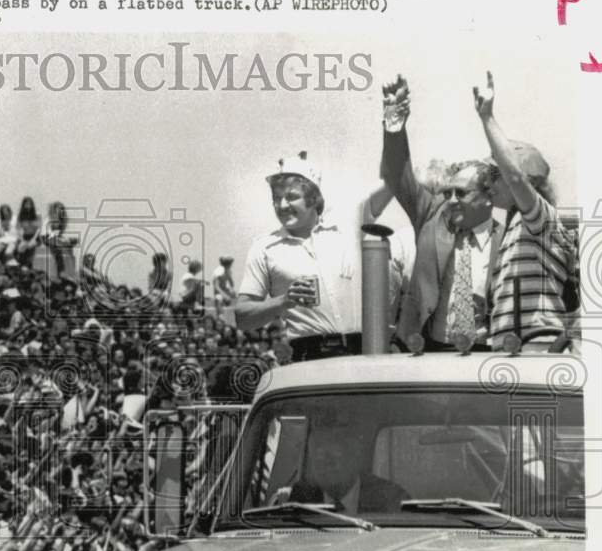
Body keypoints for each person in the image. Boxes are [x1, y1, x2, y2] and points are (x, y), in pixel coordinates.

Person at [379, 76, 504, 351]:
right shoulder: (433, 216)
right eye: (448, 192)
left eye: (462, 193)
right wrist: (394, 124)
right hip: (426, 349)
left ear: (489, 197)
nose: (451, 200)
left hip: (485, 353)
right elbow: (398, 176)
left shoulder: (506, 240)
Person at [472, 71, 577, 349]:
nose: (488, 183)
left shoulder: (539, 218)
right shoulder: (515, 227)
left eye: (496, 175)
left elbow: (514, 177)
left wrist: (487, 118)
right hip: (511, 352)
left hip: (536, 348)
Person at [235, 153, 363, 360]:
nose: (282, 206)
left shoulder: (344, 232)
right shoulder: (264, 248)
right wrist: (283, 301)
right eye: (276, 199)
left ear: (313, 199)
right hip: (309, 358)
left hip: (362, 354)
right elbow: (242, 316)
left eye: (291, 197)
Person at [272, 432, 410, 514]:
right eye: (318, 458)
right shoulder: (297, 500)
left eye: (333, 458)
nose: (325, 467)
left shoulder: (390, 498)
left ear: (355, 459)